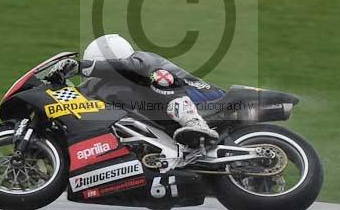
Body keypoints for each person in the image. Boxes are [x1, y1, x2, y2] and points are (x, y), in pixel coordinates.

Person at [47, 34, 224, 146]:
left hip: (206, 100)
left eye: (101, 67)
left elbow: (123, 68)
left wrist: (80, 66)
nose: (96, 79)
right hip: (168, 118)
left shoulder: (143, 60)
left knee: (159, 78)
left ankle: (194, 123)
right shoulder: (117, 87)